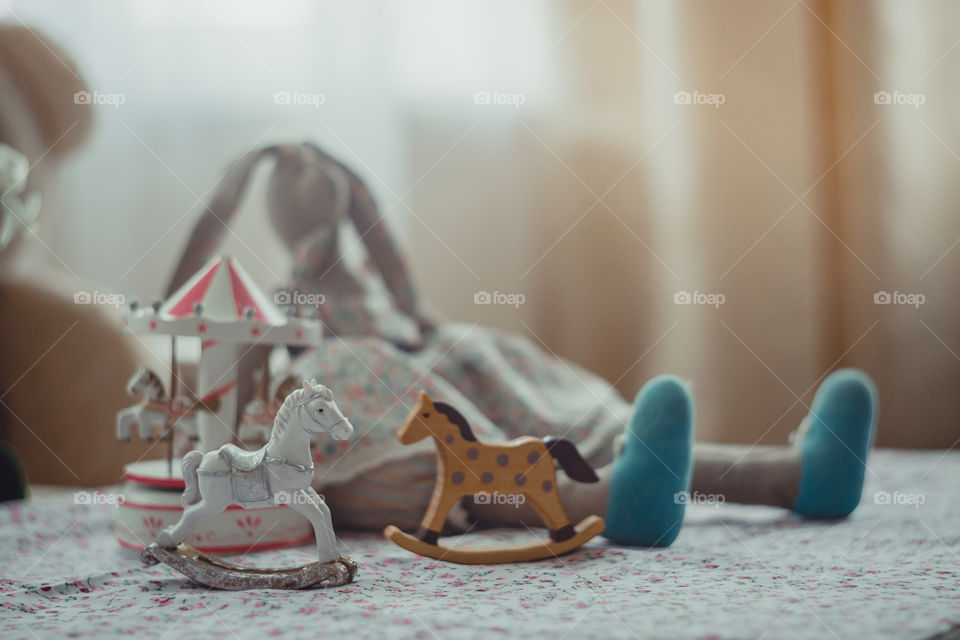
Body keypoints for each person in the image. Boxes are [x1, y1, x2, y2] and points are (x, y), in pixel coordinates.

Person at [170, 143, 877, 546]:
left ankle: (796, 476)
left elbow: (403, 304)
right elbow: (247, 361)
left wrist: (423, 329)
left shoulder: (387, 311)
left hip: (413, 363)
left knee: (482, 362)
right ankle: (595, 502)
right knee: (380, 388)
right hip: (368, 442)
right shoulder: (274, 319)